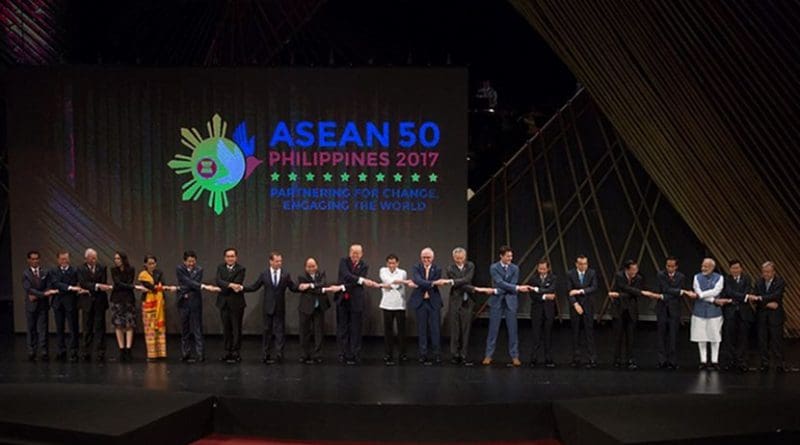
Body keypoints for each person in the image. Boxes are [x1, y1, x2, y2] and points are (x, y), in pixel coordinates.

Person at [477, 246, 529, 367]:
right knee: (493, 330)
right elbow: (500, 282)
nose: (510, 258)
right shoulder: (494, 267)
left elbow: (512, 283)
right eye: (507, 256)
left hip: (510, 301)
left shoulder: (515, 268)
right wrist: (515, 289)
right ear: (501, 256)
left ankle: (515, 356)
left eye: (511, 256)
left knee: (513, 330)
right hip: (497, 302)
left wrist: (496, 290)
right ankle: (488, 355)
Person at [243, 251, 298, 364]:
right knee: (267, 331)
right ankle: (265, 354)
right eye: (277, 261)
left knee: (279, 332)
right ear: (271, 261)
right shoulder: (265, 274)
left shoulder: (285, 274)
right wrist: (242, 288)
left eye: (280, 261)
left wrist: (302, 287)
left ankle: (279, 355)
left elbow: (292, 287)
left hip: (279, 307)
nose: (279, 263)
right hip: (268, 307)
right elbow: (255, 286)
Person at [610, 260, 659, 370]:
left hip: (631, 310)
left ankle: (630, 359)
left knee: (631, 337)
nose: (635, 272)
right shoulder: (619, 276)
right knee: (618, 337)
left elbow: (634, 293)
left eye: (636, 269)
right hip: (619, 309)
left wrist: (619, 295)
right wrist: (641, 292)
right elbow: (626, 288)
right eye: (633, 270)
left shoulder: (638, 278)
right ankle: (616, 359)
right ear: (627, 269)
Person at [335, 244, 378, 365]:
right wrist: (361, 280)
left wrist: (345, 285)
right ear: (349, 253)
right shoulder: (343, 262)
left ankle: (355, 353)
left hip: (356, 300)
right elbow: (346, 275)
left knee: (356, 329)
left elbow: (352, 282)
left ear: (361, 254)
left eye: (358, 253)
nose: (355, 255)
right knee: (342, 328)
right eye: (353, 252)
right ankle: (342, 353)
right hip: (342, 299)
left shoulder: (364, 266)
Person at [176, 251, 220, 363]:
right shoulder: (180, 268)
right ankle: (185, 353)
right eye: (189, 261)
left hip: (195, 301)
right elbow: (186, 281)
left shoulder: (199, 269)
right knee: (185, 329)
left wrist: (181, 288)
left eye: (193, 261)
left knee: (197, 328)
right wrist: (204, 286)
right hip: (183, 302)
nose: (191, 263)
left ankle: (200, 354)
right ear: (184, 261)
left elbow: (191, 284)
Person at [653, 257, 694, 370]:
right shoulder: (660, 275)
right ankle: (662, 360)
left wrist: (673, 293)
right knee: (661, 335)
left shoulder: (681, 277)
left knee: (673, 336)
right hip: (662, 308)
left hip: (674, 309)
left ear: (676, 266)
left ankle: (672, 361)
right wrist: (680, 292)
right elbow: (664, 288)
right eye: (667, 266)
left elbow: (672, 291)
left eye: (671, 266)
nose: (669, 268)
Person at [409, 248, 448, 365]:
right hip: (421, 302)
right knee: (422, 329)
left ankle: (436, 354)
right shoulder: (416, 267)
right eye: (424, 258)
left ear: (432, 258)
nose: (426, 260)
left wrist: (422, 283)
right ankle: (423, 354)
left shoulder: (437, 269)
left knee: (435, 329)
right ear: (421, 258)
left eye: (428, 258)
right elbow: (418, 280)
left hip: (433, 302)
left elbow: (420, 283)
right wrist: (433, 283)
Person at [296, 257, 337, 364]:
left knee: (319, 332)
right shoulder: (302, 276)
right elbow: (309, 289)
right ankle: (304, 355)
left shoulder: (321, 274)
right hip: (305, 308)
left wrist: (311, 285)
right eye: (309, 266)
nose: (311, 268)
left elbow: (322, 283)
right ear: (306, 267)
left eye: (313, 266)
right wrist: (321, 289)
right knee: (304, 332)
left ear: (316, 266)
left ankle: (318, 355)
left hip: (319, 307)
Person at [749, 261, 787, 372]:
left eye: (768, 272)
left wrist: (760, 299)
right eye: (764, 272)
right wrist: (767, 303)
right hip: (762, 316)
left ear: (773, 272)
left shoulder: (780, 282)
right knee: (762, 341)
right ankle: (764, 363)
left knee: (776, 340)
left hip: (776, 317)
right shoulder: (758, 282)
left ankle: (780, 363)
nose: (766, 274)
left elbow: (776, 295)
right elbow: (754, 298)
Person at [138, 255, 177, 362]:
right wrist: (157, 286)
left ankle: (161, 353)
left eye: (153, 263)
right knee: (150, 328)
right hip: (148, 303)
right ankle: (151, 354)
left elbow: (161, 284)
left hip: (159, 303)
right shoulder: (143, 275)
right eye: (149, 263)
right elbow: (150, 286)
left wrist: (157, 286)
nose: (152, 265)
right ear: (145, 264)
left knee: (160, 328)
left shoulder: (159, 273)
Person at [49, 251, 85, 362]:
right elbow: (56, 283)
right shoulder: (53, 271)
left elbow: (78, 283)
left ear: (69, 259)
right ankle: (61, 350)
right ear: (58, 260)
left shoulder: (74, 271)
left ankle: (74, 351)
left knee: (73, 328)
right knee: (60, 328)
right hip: (58, 303)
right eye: (62, 259)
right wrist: (70, 288)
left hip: (71, 303)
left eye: (66, 259)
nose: (64, 261)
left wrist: (75, 288)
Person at [77, 248, 112, 362]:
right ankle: (86, 352)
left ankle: (101, 352)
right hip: (87, 302)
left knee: (100, 328)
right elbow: (83, 283)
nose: (94, 260)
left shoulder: (102, 268)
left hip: (99, 302)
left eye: (95, 257)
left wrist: (94, 287)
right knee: (87, 328)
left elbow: (103, 282)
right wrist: (96, 286)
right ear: (86, 258)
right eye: (92, 258)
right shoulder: (81, 269)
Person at [690, 258, 724, 370]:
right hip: (699, 311)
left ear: (712, 267)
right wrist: (713, 300)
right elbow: (697, 291)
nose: (703, 268)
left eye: (706, 266)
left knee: (715, 337)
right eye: (702, 266)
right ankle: (703, 361)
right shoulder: (696, 277)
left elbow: (716, 291)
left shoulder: (719, 278)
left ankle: (715, 361)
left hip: (714, 312)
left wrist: (703, 296)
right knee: (701, 337)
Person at [378, 254, 413, 366]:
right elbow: (388, 281)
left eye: (393, 263)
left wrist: (390, 284)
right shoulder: (383, 270)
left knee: (401, 331)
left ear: (397, 263)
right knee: (388, 331)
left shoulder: (402, 272)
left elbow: (392, 284)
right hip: (387, 304)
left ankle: (402, 353)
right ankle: (388, 354)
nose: (391, 265)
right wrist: (398, 282)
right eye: (389, 263)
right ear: (387, 263)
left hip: (399, 304)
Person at [110, 252, 144, 362]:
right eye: (115, 258)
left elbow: (126, 283)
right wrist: (133, 286)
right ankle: (121, 349)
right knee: (118, 325)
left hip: (128, 299)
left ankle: (129, 349)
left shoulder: (131, 269)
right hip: (117, 299)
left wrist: (129, 286)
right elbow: (118, 283)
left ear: (123, 259)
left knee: (129, 324)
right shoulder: (113, 270)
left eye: (118, 258)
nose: (116, 260)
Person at [22, 251, 56, 361]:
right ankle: (31, 350)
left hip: (42, 305)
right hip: (31, 306)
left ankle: (44, 350)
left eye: (36, 258)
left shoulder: (44, 272)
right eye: (32, 259)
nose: (35, 261)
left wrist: (38, 296)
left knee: (43, 329)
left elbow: (49, 286)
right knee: (31, 328)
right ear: (29, 260)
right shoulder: (26, 274)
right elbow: (28, 289)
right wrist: (43, 294)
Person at [721, 260, 754, 372]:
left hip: (744, 312)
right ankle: (730, 361)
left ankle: (741, 361)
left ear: (741, 268)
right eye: (733, 268)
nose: (735, 270)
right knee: (729, 337)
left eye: (737, 268)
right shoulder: (726, 279)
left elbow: (747, 290)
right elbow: (728, 292)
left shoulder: (747, 278)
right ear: (730, 269)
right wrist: (744, 297)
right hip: (730, 312)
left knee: (743, 337)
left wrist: (740, 297)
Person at [445, 247, 476, 366]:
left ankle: (463, 355)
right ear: (454, 258)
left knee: (466, 330)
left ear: (465, 257)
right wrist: (471, 288)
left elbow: (468, 279)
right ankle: (455, 354)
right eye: (457, 258)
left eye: (461, 258)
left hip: (467, 302)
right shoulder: (450, 268)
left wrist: (453, 282)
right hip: (455, 301)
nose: (459, 260)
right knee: (455, 329)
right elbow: (463, 283)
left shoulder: (470, 266)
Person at [215, 248, 246, 363]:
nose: (230, 258)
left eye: (232, 256)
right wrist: (230, 284)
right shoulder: (220, 268)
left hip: (236, 303)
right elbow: (218, 281)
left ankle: (236, 352)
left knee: (236, 329)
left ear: (236, 258)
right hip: (223, 303)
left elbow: (238, 283)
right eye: (228, 256)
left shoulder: (241, 269)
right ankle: (227, 352)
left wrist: (226, 284)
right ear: (225, 258)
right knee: (226, 328)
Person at [567, 255, 598, 368]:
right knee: (575, 332)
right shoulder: (570, 274)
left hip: (588, 306)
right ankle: (576, 358)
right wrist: (575, 304)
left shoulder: (592, 273)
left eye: (585, 264)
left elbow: (594, 287)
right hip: (575, 306)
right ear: (576, 264)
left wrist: (580, 291)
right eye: (581, 264)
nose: (583, 266)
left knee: (589, 332)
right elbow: (569, 291)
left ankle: (592, 358)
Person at [528, 259, 557, 368]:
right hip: (536, 310)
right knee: (536, 335)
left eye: (544, 269)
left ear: (548, 268)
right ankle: (534, 358)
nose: (542, 271)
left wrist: (537, 289)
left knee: (548, 335)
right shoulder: (533, 279)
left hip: (549, 311)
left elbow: (552, 289)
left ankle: (548, 358)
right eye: (540, 269)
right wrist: (545, 295)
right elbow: (532, 295)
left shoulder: (553, 278)